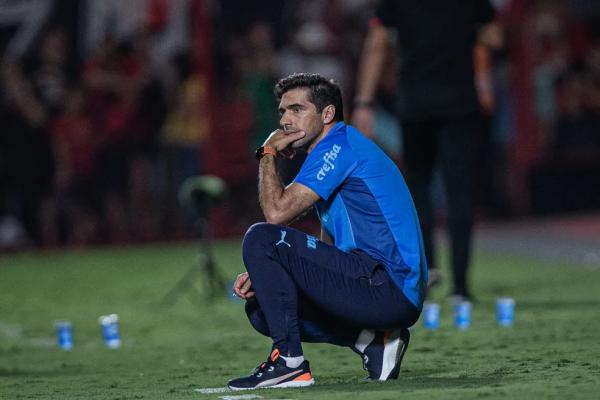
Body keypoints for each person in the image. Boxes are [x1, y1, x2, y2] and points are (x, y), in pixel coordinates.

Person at [228, 73, 427, 390]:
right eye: (282, 111)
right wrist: (271, 270)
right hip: (381, 285)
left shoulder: (338, 147)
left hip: (387, 285)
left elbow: (276, 214)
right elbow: (328, 244)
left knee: (260, 236)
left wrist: (267, 153)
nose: (286, 120)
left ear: (327, 114)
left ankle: (288, 364)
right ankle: (375, 343)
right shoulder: (335, 150)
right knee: (262, 307)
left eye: (297, 109)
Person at [352, 0, 501, 300]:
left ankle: (427, 269)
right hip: (459, 102)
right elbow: (494, 37)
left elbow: (377, 43)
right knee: (459, 192)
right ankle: (460, 286)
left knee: (418, 187)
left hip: (415, 104)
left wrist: (364, 102)